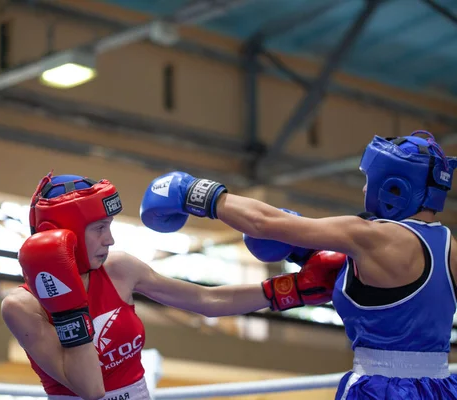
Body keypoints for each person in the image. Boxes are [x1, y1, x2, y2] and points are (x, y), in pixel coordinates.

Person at [139, 130, 457, 399]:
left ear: (395, 187)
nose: (364, 189)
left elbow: (263, 222)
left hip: (380, 388)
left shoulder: (370, 237)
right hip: (443, 387)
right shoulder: (450, 246)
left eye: (368, 180)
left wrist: (193, 192)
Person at [0, 172, 345, 400]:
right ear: (66, 233)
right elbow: (90, 389)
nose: (110, 238)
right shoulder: (23, 306)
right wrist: (67, 302)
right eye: (99, 228)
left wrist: (291, 289)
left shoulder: (118, 269)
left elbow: (206, 299)